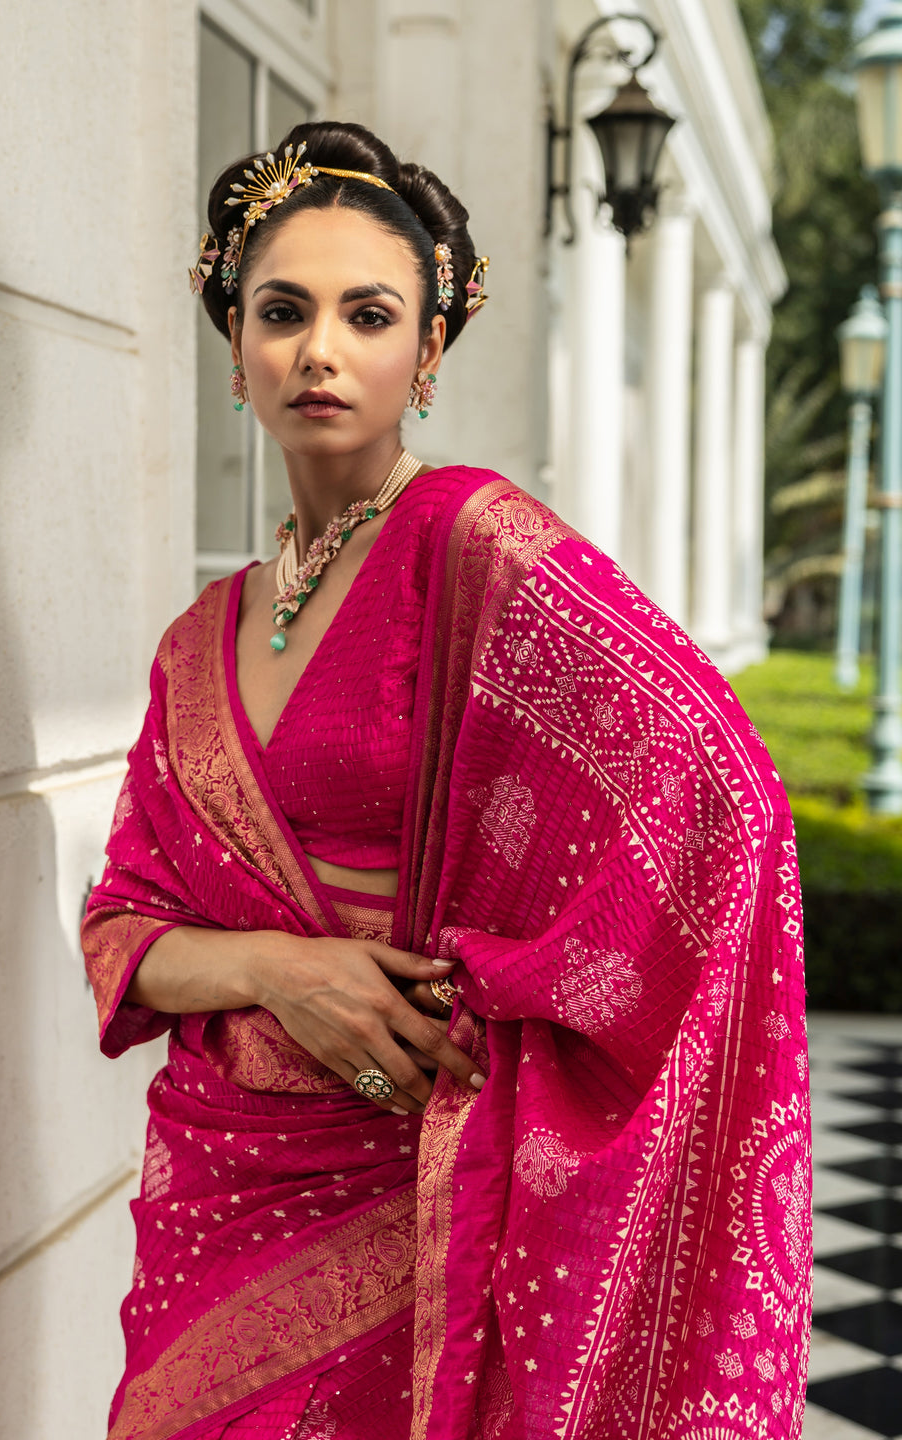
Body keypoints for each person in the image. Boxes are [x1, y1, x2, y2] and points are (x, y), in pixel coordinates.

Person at [82, 120, 811, 1440]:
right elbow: (124, 929)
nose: (319, 350)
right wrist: (275, 969)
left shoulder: (479, 550)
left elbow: (728, 811)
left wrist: (506, 1005)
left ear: (424, 352)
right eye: (281, 311)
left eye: (368, 314)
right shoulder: (200, 638)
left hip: (405, 1193)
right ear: (234, 345)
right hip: (216, 1182)